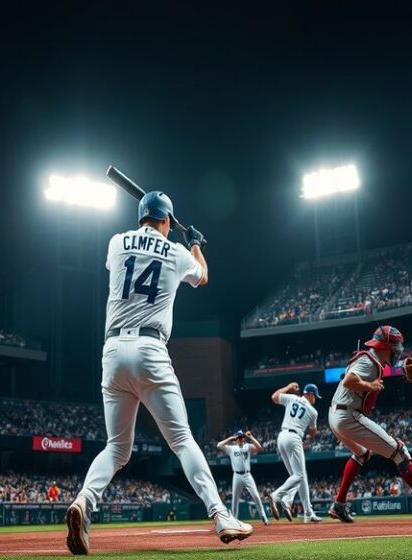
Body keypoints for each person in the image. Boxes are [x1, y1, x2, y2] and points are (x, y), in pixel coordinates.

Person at [66, 191, 252, 555]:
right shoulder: (178, 251)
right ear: (167, 220)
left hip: (112, 352)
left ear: (141, 218)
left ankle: (85, 500)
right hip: (150, 349)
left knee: (117, 448)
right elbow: (203, 276)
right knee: (182, 440)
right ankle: (220, 515)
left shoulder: (117, 242)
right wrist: (195, 243)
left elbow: (134, 258)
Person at [327, 325, 412, 524]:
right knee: (399, 452)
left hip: (336, 414)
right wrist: (369, 385)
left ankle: (338, 505)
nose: (398, 349)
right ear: (385, 346)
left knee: (362, 454)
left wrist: (402, 367)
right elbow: (349, 380)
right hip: (347, 415)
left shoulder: (374, 359)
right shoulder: (369, 361)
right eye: (396, 346)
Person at [268, 383, 322, 523]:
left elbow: (274, 397)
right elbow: (313, 432)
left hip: (281, 437)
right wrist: (308, 437)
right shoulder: (313, 411)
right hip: (294, 438)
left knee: (297, 476)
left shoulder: (292, 398)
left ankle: (306, 511)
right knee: (299, 475)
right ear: (310, 394)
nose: (315, 399)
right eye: (315, 396)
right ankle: (277, 495)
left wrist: (288, 387)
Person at [217, 429, 269, 525]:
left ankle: (263, 517)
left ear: (244, 439)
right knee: (235, 499)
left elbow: (259, 447)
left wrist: (251, 437)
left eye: (241, 437)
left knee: (256, 496)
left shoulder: (247, 446)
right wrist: (230, 438)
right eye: (238, 438)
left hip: (247, 475)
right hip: (236, 476)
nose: (240, 439)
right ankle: (234, 520)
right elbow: (218, 445)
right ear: (236, 439)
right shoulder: (231, 449)